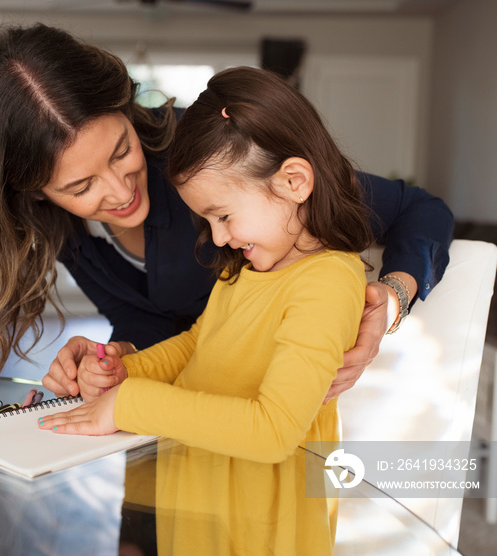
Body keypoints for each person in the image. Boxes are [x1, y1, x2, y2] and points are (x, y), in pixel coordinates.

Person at [0, 23, 454, 397]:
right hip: (178, 408)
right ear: (36, 192)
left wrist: (393, 296)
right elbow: (145, 312)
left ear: (127, 111)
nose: (118, 191)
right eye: (81, 185)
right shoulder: (57, 224)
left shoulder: (212, 157)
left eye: (122, 150)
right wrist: (120, 354)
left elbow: (421, 211)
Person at [38, 65, 375, 555]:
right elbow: (201, 343)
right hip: (199, 489)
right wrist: (126, 372)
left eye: (223, 215)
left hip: (260, 518)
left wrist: (132, 404)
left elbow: (274, 431)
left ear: (294, 181)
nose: (217, 237)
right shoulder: (252, 262)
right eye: (207, 219)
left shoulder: (328, 281)